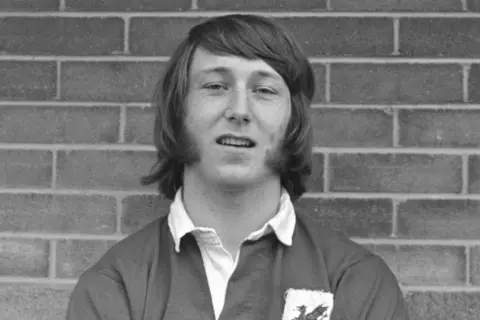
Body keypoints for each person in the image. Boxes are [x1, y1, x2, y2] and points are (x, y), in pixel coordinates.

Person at [66, 14, 408, 320]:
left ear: (294, 120)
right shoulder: (114, 288)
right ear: (178, 111)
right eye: (216, 86)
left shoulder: (357, 282)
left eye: (264, 90)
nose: (239, 109)